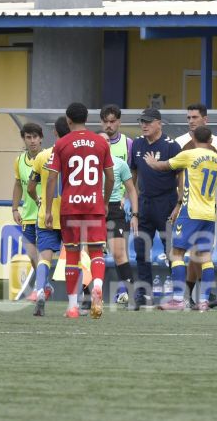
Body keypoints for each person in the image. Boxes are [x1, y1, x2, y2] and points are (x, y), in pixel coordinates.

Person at [44, 103, 115, 319]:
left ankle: (73, 307)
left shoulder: (61, 144)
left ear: (68, 120)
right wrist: (104, 201)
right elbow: (110, 177)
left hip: (70, 206)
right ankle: (98, 285)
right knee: (96, 251)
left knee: (72, 255)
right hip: (94, 205)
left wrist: (48, 209)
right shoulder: (101, 143)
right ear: (88, 118)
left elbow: (52, 177)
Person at [146, 126, 217, 311]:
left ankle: (177, 299)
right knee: (205, 257)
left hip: (190, 211)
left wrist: (152, 162)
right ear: (210, 139)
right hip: (209, 214)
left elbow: (164, 166)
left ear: (193, 137)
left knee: (176, 253)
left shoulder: (189, 154)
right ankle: (204, 301)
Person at [176, 103, 217, 308]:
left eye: (195, 117)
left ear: (205, 119)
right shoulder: (180, 142)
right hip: (185, 205)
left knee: (192, 252)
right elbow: (176, 176)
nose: (191, 121)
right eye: (188, 117)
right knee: (194, 252)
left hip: (205, 206)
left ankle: (188, 296)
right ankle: (198, 296)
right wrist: (177, 202)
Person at [129, 108, 182, 309]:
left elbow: (181, 175)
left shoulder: (171, 145)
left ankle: (178, 293)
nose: (144, 125)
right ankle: (143, 293)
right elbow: (133, 173)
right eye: (142, 121)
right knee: (141, 248)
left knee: (171, 249)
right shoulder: (138, 144)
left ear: (159, 123)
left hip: (166, 202)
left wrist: (178, 202)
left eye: (149, 122)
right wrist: (131, 202)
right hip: (144, 202)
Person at [27, 117, 70, 316]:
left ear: (55, 133)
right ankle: (75, 302)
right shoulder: (75, 154)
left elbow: (30, 187)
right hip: (70, 213)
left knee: (44, 257)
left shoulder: (42, 156)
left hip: (47, 214)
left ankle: (40, 290)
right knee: (74, 258)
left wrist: (39, 200)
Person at [97, 131, 139, 306]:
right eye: (101, 141)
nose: (105, 143)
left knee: (118, 253)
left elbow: (131, 190)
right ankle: (86, 297)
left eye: (108, 140)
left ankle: (131, 296)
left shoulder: (120, 164)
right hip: (93, 208)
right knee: (88, 254)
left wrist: (135, 214)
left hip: (114, 209)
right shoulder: (89, 164)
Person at [13, 122, 44, 274]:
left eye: (35, 137)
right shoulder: (19, 161)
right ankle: (41, 283)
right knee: (31, 253)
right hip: (28, 215)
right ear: (23, 139)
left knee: (47, 253)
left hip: (45, 214)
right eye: (28, 137)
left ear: (41, 139)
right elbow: (18, 184)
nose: (32, 140)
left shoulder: (48, 158)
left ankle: (44, 283)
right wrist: (14, 209)